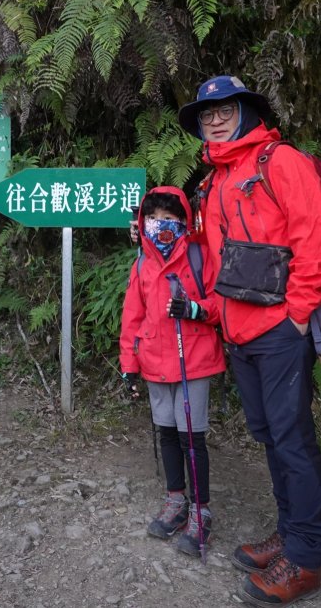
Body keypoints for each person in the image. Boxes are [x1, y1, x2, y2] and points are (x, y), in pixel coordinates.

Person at [178, 76, 321, 605]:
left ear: (247, 111)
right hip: (239, 331)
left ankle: (307, 557)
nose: (216, 120)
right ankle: (289, 534)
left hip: (279, 330)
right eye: (208, 115)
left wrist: (297, 315)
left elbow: (317, 238)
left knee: (292, 438)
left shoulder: (280, 162)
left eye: (226, 110)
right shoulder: (214, 180)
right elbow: (214, 256)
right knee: (270, 435)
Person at [119, 187, 226, 557]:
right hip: (153, 361)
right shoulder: (142, 264)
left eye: (169, 218)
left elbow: (220, 303)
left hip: (193, 360)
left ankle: (201, 511)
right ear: (142, 223)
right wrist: (128, 366)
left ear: (184, 221)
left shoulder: (199, 255)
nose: (161, 225)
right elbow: (132, 317)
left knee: (191, 438)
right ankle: (176, 500)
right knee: (166, 434)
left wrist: (196, 310)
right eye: (153, 218)